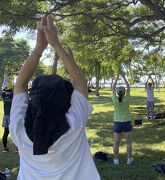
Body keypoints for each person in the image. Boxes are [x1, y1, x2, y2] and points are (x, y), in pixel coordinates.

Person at [9, 16, 100, 179]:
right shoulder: (74, 125)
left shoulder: (18, 130)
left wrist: (38, 49)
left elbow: (20, 85)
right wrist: (55, 45)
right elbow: (80, 84)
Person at [112, 71, 134, 165]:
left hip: (117, 122)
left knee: (116, 142)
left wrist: (116, 78)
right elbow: (128, 87)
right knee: (128, 142)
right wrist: (124, 77)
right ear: (124, 92)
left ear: (117, 93)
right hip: (126, 122)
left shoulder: (115, 99)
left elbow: (113, 88)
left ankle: (116, 159)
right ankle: (129, 159)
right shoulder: (127, 98)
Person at [1, 84, 14, 152]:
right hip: (12, 116)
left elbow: (3, 90)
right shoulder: (13, 95)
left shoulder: (3, 96)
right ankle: (18, 148)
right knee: (15, 131)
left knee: (6, 132)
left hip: (5, 116)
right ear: (11, 89)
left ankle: (5, 148)